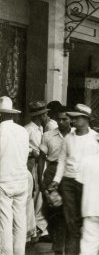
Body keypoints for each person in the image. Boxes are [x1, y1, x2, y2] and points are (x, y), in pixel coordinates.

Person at [50, 103, 99, 255]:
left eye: (77, 118)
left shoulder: (95, 138)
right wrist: (56, 181)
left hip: (88, 183)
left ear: (86, 119)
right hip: (69, 183)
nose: (73, 121)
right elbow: (62, 161)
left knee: (87, 221)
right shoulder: (68, 138)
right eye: (72, 118)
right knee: (71, 222)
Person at [39, 106, 71, 255]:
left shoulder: (75, 136)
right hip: (52, 172)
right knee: (48, 210)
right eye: (59, 118)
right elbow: (41, 159)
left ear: (70, 119)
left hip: (69, 174)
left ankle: (60, 247)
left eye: (65, 118)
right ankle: (56, 237)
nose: (61, 121)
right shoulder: (47, 135)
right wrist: (40, 180)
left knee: (63, 212)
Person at [0, 96, 29, 255]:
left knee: (5, 223)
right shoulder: (23, 131)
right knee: (20, 223)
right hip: (21, 180)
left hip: (3, 182)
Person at [24, 100, 49, 242]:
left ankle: (39, 228)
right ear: (40, 115)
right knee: (34, 195)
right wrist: (32, 151)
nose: (45, 116)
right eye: (44, 114)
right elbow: (23, 146)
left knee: (40, 196)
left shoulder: (41, 129)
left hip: (42, 164)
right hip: (32, 165)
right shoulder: (28, 129)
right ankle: (32, 229)